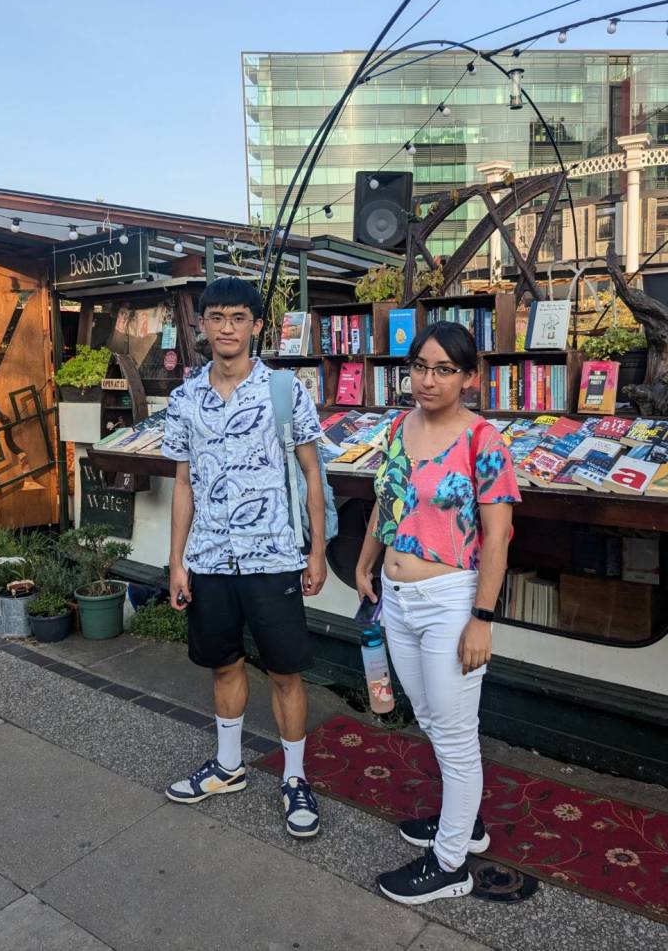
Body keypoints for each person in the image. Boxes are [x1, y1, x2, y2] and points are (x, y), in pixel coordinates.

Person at [355, 321, 520, 905]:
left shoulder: (483, 441)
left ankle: (451, 864)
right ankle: (464, 823)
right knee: (428, 715)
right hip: (398, 598)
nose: (428, 380)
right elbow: (387, 502)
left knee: (453, 733)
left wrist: (482, 618)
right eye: (420, 367)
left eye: (444, 370)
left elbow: (497, 540)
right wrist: (366, 561)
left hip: (451, 600)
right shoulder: (399, 427)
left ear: (469, 377)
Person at [161, 276, 327, 838]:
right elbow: (184, 483)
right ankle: (228, 766)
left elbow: (311, 473)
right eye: (217, 318)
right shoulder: (185, 399)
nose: (227, 328)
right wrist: (177, 561)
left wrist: (317, 551)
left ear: (257, 325)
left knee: (285, 672)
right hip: (209, 559)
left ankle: (295, 778)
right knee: (223, 664)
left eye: (238, 318)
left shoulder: (284, 390)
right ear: (202, 325)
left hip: (274, 556)